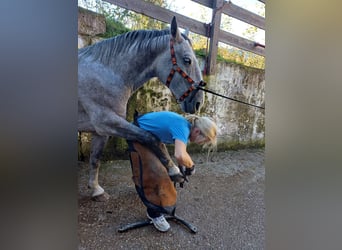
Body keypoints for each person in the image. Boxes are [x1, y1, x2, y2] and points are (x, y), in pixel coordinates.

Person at [135, 111, 217, 232]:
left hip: (151, 137)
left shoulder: (185, 127)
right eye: (204, 140)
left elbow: (181, 155)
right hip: (138, 133)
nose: (201, 144)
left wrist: (182, 168)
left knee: (168, 169)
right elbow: (180, 154)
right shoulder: (183, 128)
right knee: (159, 175)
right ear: (197, 131)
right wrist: (191, 167)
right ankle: (153, 213)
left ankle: (149, 191)